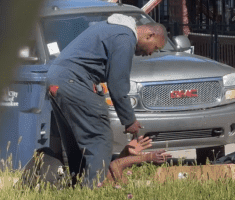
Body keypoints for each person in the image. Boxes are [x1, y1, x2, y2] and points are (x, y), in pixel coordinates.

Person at [46, 13, 168, 187]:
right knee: (99, 137)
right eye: (154, 48)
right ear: (149, 35)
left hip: (57, 80)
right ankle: (94, 189)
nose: (149, 53)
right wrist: (129, 120)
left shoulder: (112, 29)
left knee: (75, 141)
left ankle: (77, 186)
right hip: (72, 82)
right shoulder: (125, 38)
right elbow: (118, 84)